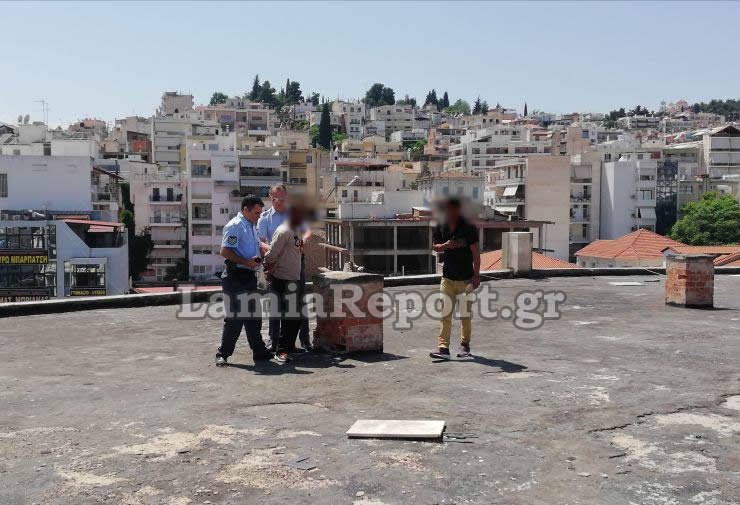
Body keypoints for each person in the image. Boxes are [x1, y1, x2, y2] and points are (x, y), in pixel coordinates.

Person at [215, 195, 273, 366]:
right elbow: (225, 251)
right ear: (246, 210)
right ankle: (223, 354)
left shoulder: (251, 225)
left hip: (248, 276)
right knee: (235, 319)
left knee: (254, 317)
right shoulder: (235, 226)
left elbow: (258, 245)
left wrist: (271, 251)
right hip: (235, 276)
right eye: (256, 213)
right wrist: (247, 262)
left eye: (260, 213)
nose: (258, 216)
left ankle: (259, 352)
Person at [257, 184, 312, 352]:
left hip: (295, 263)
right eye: (275, 198)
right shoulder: (265, 218)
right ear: (270, 198)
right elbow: (260, 241)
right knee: (276, 305)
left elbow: (307, 231)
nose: (279, 202)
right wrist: (275, 250)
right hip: (275, 266)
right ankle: (273, 342)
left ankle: (304, 340)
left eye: (282, 198)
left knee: (299, 303)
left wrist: (304, 240)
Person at [430, 198, 481, 359]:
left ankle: (465, 346)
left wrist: (476, 275)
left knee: (465, 316)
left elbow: (476, 253)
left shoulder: (468, 227)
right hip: (447, 278)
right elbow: (435, 246)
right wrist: (447, 245)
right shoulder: (440, 225)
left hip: (466, 279)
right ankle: (443, 349)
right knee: (445, 314)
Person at [263, 202, 307, 363]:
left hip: (293, 278)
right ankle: (281, 351)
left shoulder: (296, 231)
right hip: (282, 279)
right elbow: (271, 254)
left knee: (295, 317)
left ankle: (288, 346)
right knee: (289, 317)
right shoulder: (283, 231)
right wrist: (269, 270)